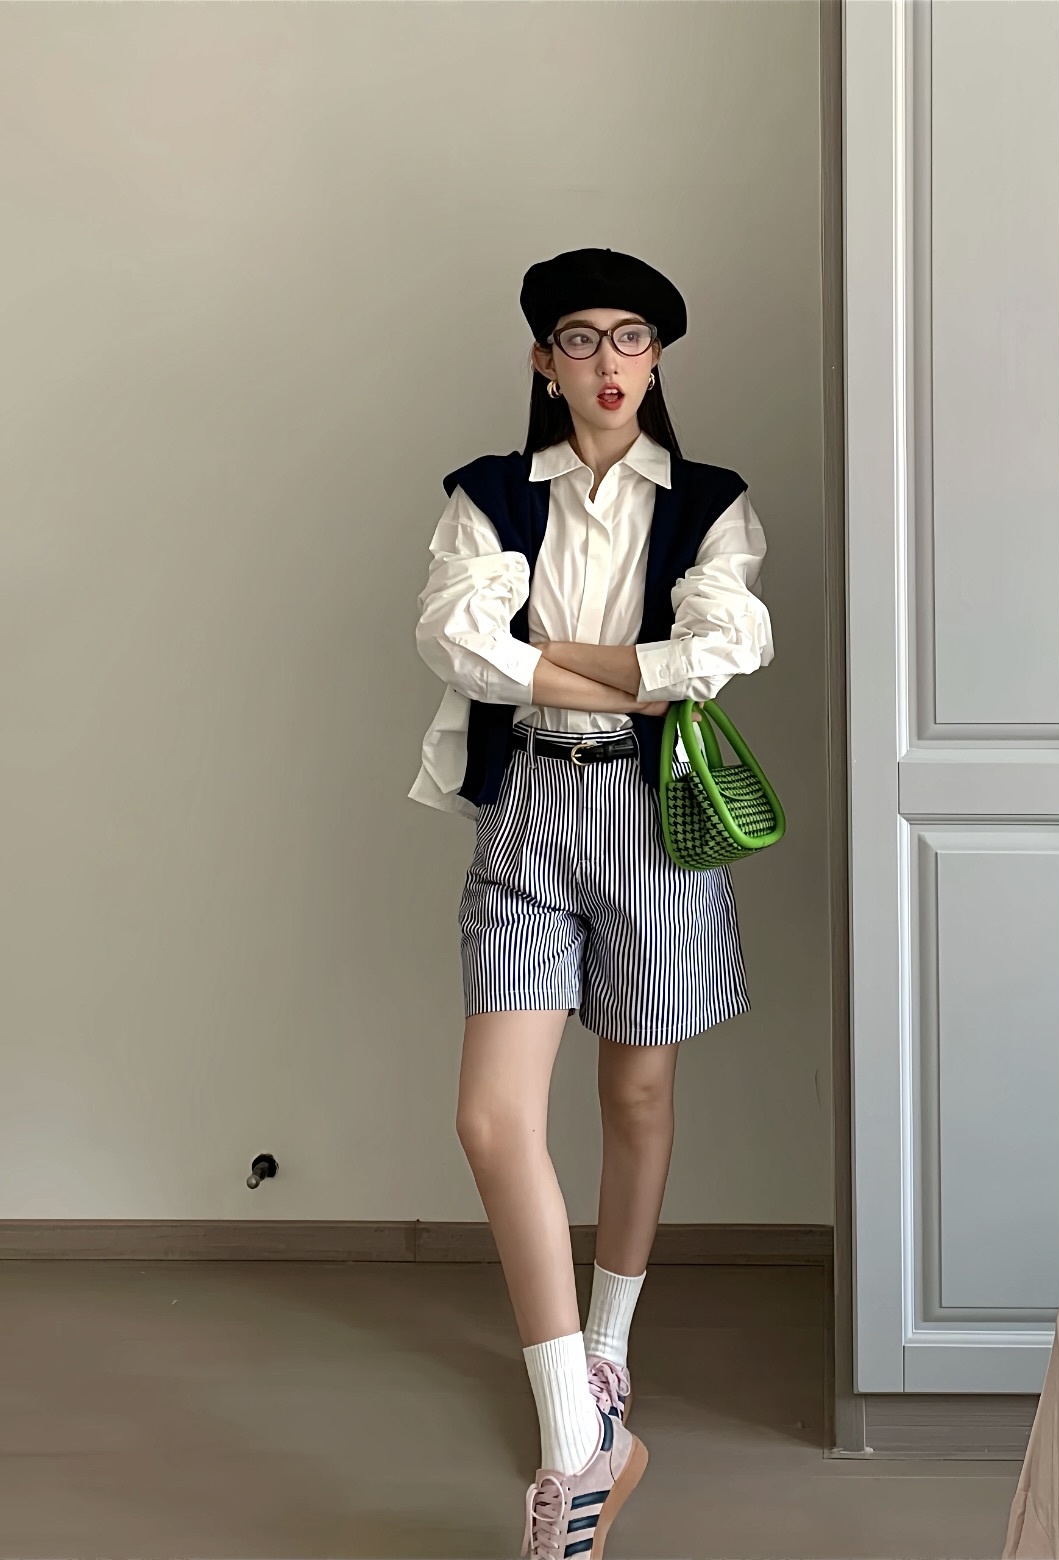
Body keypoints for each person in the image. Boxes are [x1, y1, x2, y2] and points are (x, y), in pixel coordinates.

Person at [409, 246, 774, 1558]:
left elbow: (722, 652)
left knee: (636, 1098)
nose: (608, 362)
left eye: (631, 338)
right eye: (580, 338)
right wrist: (625, 667)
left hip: (650, 816)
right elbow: (454, 640)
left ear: (657, 357)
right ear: (542, 359)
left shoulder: (713, 504)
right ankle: (577, 1442)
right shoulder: (488, 494)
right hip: (528, 810)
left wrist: (545, 655)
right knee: (490, 1116)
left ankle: (606, 1352)